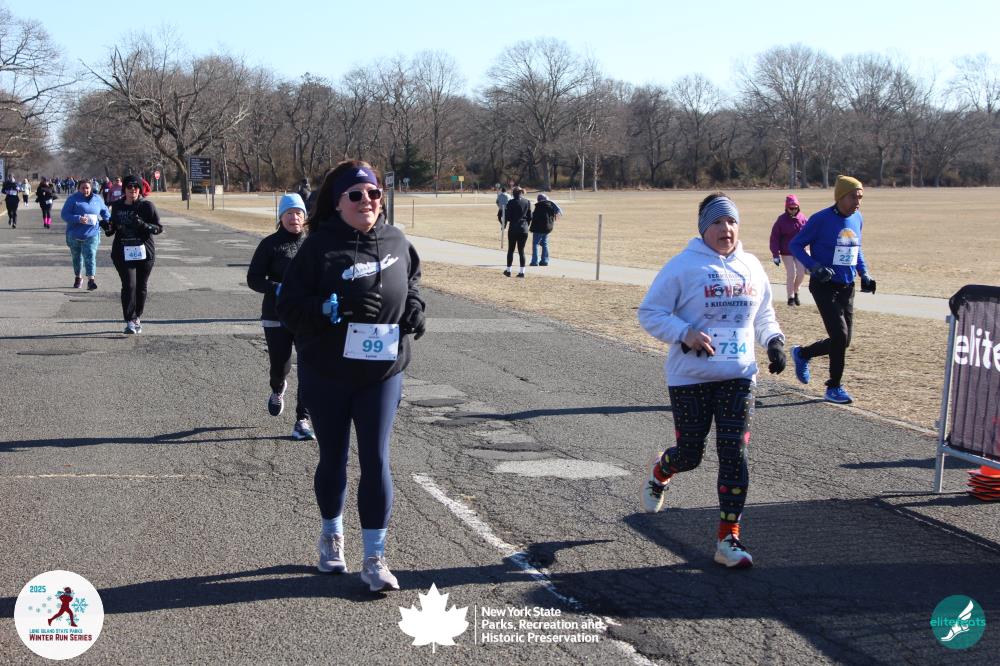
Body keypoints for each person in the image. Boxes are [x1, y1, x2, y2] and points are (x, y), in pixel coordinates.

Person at [276, 160, 425, 592]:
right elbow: (289, 308)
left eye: (373, 193)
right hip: (328, 372)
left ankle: (375, 557)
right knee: (334, 457)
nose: (367, 201)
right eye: (355, 195)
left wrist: (415, 310)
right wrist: (330, 309)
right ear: (338, 203)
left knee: (376, 458)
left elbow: (413, 283)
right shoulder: (318, 247)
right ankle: (331, 535)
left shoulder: (397, 240)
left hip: (382, 372)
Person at [638, 192, 786, 569]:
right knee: (690, 454)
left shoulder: (751, 266)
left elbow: (764, 314)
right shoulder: (683, 266)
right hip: (690, 377)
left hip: (739, 375)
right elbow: (650, 312)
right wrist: (684, 333)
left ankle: (728, 539)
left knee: (734, 453)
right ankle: (663, 469)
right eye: (718, 222)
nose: (726, 229)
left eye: (732, 221)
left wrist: (774, 341)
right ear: (704, 228)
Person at [789, 175, 875, 405]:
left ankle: (803, 354)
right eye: (853, 197)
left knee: (843, 341)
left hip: (847, 286)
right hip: (824, 286)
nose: (858, 202)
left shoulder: (857, 218)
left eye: (860, 197)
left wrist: (864, 274)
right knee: (839, 335)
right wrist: (814, 266)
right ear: (840, 197)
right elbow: (795, 245)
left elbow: (856, 248)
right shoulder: (820, 219)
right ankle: (833, 387)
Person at [247, 193, 315, 441]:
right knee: (280, 366)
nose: (294, 217)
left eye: (298, 213)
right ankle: (278, 388)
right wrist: (276, 287)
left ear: (304, 217)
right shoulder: (270, 244)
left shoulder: (313, 244)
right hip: (276, 314)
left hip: (306, 316)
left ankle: (302, 420)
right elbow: (253, 279)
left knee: (308, 368)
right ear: (281, 217)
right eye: (289, 213)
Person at [103, 174, 163, 333]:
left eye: (136, 187)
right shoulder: (117, 206)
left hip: (144, 252)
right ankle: (129, 320)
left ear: (140, 190)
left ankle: (137, 316)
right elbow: (111, 230)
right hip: (122, 251)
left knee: (141, 287)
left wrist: (144, 225)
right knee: (129, 285)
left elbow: (158, 228)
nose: (133, 190)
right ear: (124, 189)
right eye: (129, 187)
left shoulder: (147, 206)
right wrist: (107, 227)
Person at [61, 179, 110, 290]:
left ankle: (91, 280)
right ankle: (78, 277)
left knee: (90, 256)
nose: (85, 190)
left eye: (87, 188)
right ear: (78, 189)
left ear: (91, 188)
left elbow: (105, 212)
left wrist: (109, 221)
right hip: (74, 234)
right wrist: (78, 218)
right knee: (77, 257)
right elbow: (64, 214)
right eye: (82, 188)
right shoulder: (72, 199)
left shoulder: (97, 199)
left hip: (92, 233)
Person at [769, 194, 807, 306]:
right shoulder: (781, 220)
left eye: (796, 208)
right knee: (791, 273)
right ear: (786, 207)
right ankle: (790, 297)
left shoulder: (802, 218)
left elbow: (809, 232)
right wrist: (775, 255)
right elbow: (774, 237)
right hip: (786, 251)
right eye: (791, 208)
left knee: (801, 273)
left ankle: (796, 291)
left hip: (799, 250)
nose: (794, 210)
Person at [503, 187, 530, 277]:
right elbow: (530, 216)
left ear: (513, 193)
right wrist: (526, 225)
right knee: (521, 251)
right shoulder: (527, 202)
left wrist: (504, 223)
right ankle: (522, 272)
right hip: (524, 228)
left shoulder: (511, 202)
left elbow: (508, 217)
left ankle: (508, 271)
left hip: (513, 228)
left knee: (511, 250)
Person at [529, 193, 561, 266]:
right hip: (547, 228)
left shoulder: (539, 206)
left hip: (538, 228)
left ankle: (534, 261)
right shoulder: (551, 206)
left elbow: (534, 217)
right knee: (544, 244)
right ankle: (545, 260)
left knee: (536, 244)